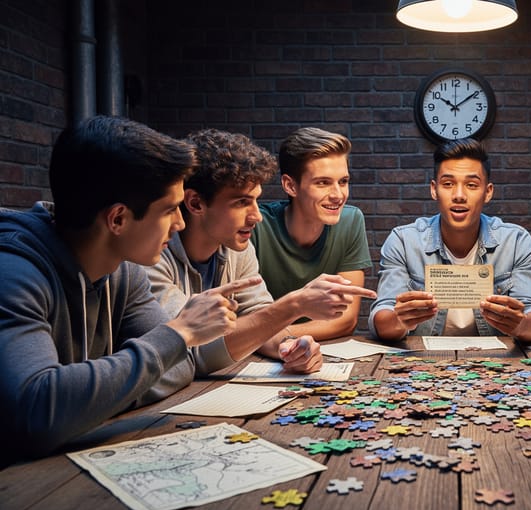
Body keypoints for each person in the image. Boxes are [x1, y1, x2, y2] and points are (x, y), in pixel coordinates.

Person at [0, 116, 260, 463]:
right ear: (118, 219)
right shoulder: (13, 271)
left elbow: (179, 367)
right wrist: (179, 332)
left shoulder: (125, 270)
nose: (181, 223)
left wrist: (86, 399)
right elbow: (37, 413)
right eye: (170, 210)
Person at [146, 129, 376, 374]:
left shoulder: (236, 248)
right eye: (242, 202)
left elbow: (260, 319)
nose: (256, 216)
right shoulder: (150, 256)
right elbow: (190, 350)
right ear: (195, 203)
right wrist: (294, 305)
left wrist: (290, 347)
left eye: (256, 200)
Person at [369, 138, 531, 343]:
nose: (459, 195)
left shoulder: (516, 241)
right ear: (433, 190)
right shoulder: (402, 241)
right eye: (448, 184)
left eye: (471, 185)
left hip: (498, 364)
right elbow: (381, 314)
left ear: (488, 192)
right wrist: (398, 321)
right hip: (422, 364)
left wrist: (523, 325)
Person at [251, 127, 373, 341]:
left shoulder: (350, 220)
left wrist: (279, 337)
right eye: (323, 183)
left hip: (311, 351)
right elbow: (241, 320)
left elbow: (345, 320)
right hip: (251, 358)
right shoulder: (255, 225)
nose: (338, 195)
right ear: (290, 185)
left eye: (343, 182)